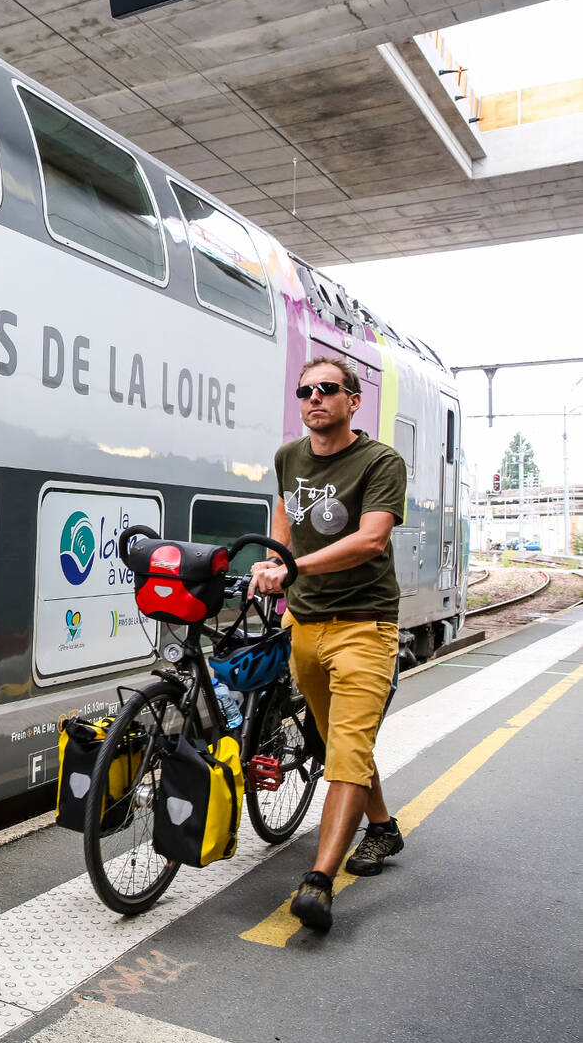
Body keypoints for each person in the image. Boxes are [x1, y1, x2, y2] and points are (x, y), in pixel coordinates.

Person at [248, 355, 408, 931]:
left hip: (364, 626)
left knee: (344, 749)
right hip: (305, 629)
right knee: (338, 742)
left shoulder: (380, 461)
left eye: (327, 389)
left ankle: (318, 881)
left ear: (353, 400)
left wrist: (292, 568)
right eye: (305, 391)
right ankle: (382, 828)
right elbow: (285, 515)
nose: (314, 398)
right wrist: (273, 557)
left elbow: (369, 541)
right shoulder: (289, 457)